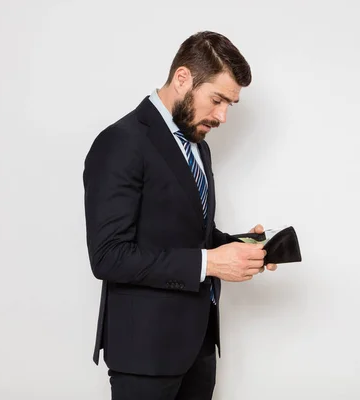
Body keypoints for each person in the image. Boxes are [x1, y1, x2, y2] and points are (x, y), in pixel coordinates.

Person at [82, 31, 278, 400]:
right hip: (145, 355)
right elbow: (108, 256)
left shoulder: (197, 147)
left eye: (229, 105)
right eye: (217, 99)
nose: (221, 116)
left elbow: (191, 235)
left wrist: (242, 247)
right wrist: (210, 264)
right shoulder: (121, 142)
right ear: (183, 78)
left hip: (198, 349)